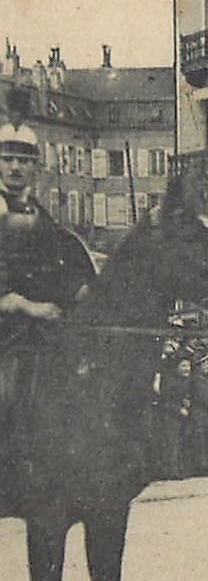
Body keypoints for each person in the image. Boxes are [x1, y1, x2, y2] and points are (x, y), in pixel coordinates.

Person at [0, 106, 95, 434]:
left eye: (23, 160)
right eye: (7, 159)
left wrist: (79, 290)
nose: (15, 167)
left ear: (34, 166)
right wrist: (31, 307)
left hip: (38, 329)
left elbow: (57, 262)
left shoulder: (38, 213)